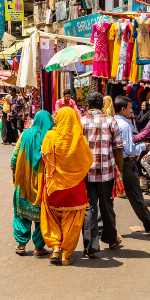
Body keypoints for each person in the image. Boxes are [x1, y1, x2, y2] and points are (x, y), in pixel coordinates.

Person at [39, 107, 93, 266]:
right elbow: (87, 162)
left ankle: (55, 247)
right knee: (72, 222)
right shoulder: (79, 140)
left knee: (51, 218)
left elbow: (44, 159)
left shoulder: (50, 137)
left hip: (53, 188)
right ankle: (66, 255)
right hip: (75, 189)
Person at [80, 92, 123, 258]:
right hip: (106, 173)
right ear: (102, 105)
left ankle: (90, 248)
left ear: (88, 105)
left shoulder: (81, 121)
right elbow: (118, 148)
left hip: (86, 173)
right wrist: (120, 170)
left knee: (89, 209)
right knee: (107, 207)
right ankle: (111, 239)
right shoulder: (111, 121)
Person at [10, 110, 54, 256]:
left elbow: (15, 157)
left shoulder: (25, 134)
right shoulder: (50, 136)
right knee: (42, 217)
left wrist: (14, 175)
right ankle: (38, 248)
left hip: (24, 182)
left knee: (21, 215)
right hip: (43, 183)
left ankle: (21, 245)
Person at [114, 96, 150, 234]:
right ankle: (149, 223)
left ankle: (105, 229)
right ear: (123, 109)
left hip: (112, 163)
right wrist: (143, 147)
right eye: (130, 108)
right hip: (125, 164)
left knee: (107, 197)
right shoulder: (124, 125)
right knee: (135, 195)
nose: (132, 111)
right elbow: (129, 149)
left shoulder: (111, 121)